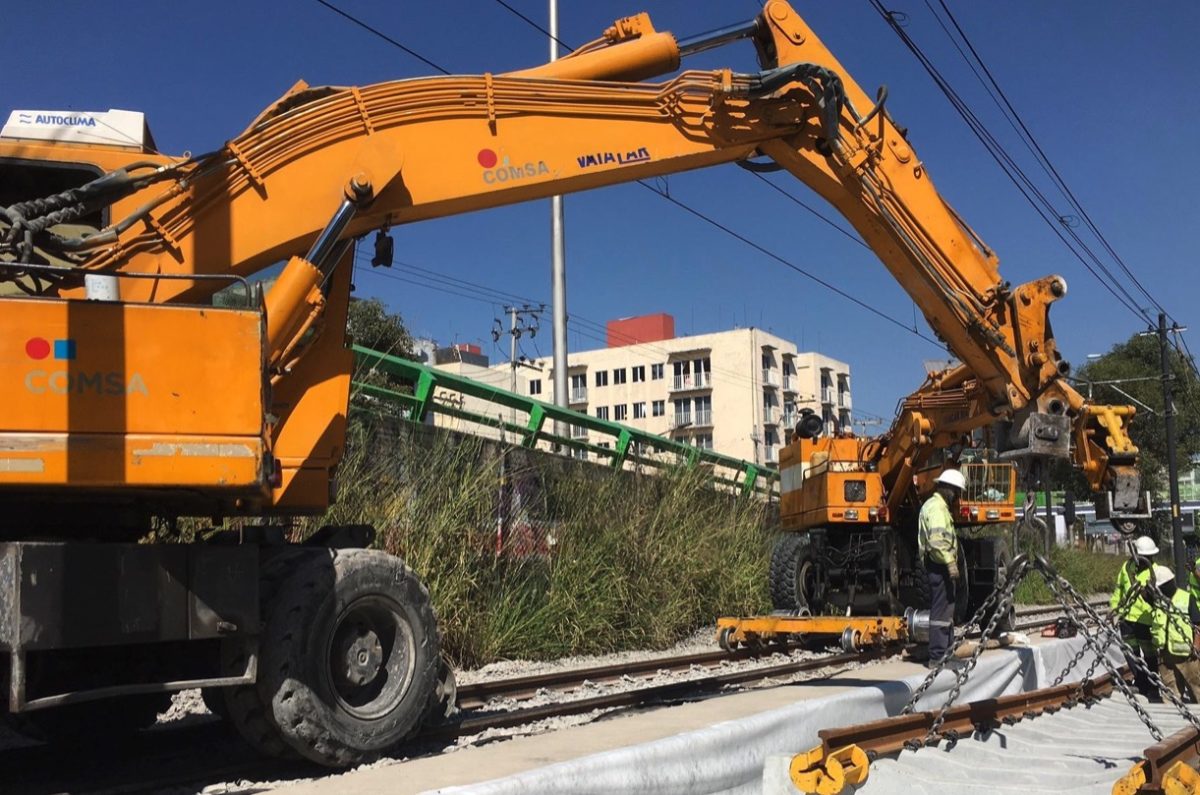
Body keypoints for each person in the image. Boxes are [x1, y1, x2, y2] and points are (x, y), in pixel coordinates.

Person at [918, 469, 965, 669]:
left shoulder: (938, 506)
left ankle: (947, 652)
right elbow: (937, 542)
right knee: (940, 610)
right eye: (956, 492)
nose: (957, 497)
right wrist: (950, 562)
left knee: (947, 609)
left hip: (939, 564)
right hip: (938, 566)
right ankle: (937, 656)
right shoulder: (936, 508)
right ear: (948, 489)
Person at [1111, 536, 1159, 696]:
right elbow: (1119, 590)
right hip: (1127, 619)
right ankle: (1141, 683)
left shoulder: (1155, 572)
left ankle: (1153, 685)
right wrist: (1114, 609)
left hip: (1145, 621)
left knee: (1150, 654)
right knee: (1131, 652)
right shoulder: (1126, 568)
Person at [1150, 565, 1200, 702]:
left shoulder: (1186, 598)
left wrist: (1196, 645)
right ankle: (1172, 720)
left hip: (1187, 654)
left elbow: (1197, 624)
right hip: (1165, 655)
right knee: (1170, 691)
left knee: (1196, 688)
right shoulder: (1158, 600)